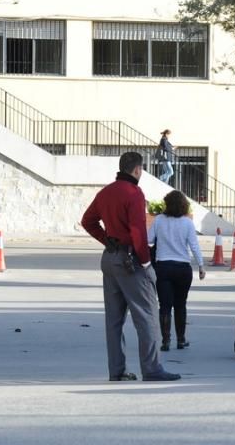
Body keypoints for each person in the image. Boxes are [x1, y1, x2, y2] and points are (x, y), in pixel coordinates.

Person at [81, 151, 180, 382]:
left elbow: (88, 221)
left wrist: (107, 240)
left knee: (114, 320)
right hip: (130, 261)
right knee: (147, 315)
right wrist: (146, 263)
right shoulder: (134, 193)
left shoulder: (105, 192)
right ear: (137, 170)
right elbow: (138, 232)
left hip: (110, 258)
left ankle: (116, 370)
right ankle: (152, 369)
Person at [148, 190, 205, 351]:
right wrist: (201, 265)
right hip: (182, 269)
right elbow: (194, 246)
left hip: (163, 267)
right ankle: (181, 339)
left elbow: (148, 239)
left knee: (164, 305)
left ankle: (165, 341)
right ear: (183, 205)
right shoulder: (187, 223)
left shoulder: (159, 220)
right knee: (180, 304)